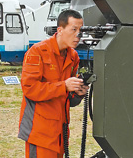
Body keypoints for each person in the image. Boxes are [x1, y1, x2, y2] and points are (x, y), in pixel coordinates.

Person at [18, 9, 89, 158]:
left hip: (60, 131)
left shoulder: (73, 56)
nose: (78, 35)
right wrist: (64, 86)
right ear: (60, 30)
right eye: (74, 29)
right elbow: (30, 89)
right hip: (40, 131)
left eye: (81, 30)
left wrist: (78, 94)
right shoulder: (37, 52)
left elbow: (68, 99)